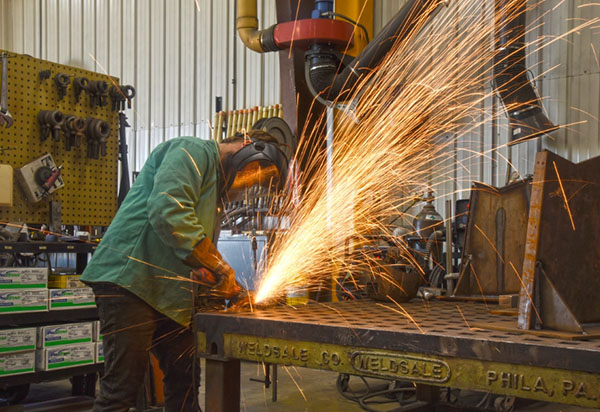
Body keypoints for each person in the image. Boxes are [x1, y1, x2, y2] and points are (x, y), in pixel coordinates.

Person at [81, 129, 289, 412]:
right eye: (252, 177)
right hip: (129, 282)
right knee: (120, 391)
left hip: (168, 297)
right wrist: (217, 265)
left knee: (185, 384)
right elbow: (168, 210)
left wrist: (216, 282)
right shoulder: (191, 151)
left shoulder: (214, 192)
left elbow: (190, 252)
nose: (245, 188)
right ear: (247, 147)